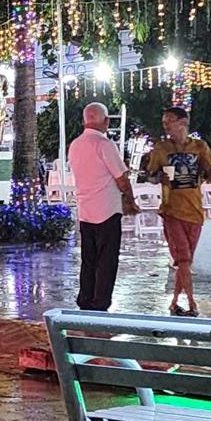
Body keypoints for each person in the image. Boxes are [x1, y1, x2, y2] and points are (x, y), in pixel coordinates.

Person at [147, 106, 211, 317]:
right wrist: (159, 177)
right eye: (164, 121)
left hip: (194, 210)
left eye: (169, 120)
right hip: (171, 210)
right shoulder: (161, 148)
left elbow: (210, 170)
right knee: (183, 258)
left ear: (183, 122)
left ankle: (174, 302)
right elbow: (150, 175)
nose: (166, 125)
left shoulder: (199, 146)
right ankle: (191, 304)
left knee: (184, 262)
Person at [68, 102, 139, 312]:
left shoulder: (75, 145)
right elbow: (122, 178)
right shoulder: (105, 145)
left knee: (88, 259)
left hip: (85, 210)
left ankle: (85, 298)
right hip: (107, 209)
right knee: (107, 260)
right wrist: (130, 200)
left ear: (84, 121)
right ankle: (100, 301)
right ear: (106, 121)